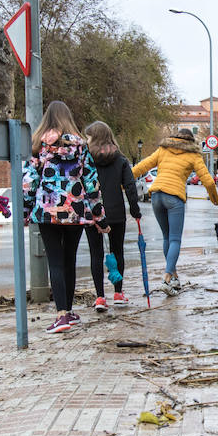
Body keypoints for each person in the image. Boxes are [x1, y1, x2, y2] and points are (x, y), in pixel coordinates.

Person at [23, 101, 109, 334]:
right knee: (69, 260)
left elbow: (29, 181)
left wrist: (25, 209)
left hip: (47, 211)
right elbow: (92, 183)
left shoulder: (39, 145)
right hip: (76, 211)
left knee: (55, 261)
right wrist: (100, 217)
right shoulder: (81, 145)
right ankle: (68, 311)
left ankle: (61, 315)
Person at [132, 128, 218, 296]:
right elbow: (208, 181)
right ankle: (166, 278)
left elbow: (140, 167)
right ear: (191, 140)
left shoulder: (163, 150)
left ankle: (174, 277)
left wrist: (123, 183)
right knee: (175, 240)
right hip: (174, 198)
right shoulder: (193, 155)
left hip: (156, 196)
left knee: (167, 238)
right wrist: (215, 200)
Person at [83, 121, 141, 311]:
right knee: (117, 252)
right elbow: (130, 187)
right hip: (116, 212)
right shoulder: (120, 159)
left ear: (95, 137)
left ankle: (100, 297)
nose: (86, 140)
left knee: (96, 254)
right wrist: (134, 210)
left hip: (93, 212)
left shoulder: (87, 159)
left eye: (88, 136)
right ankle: (118, 293)